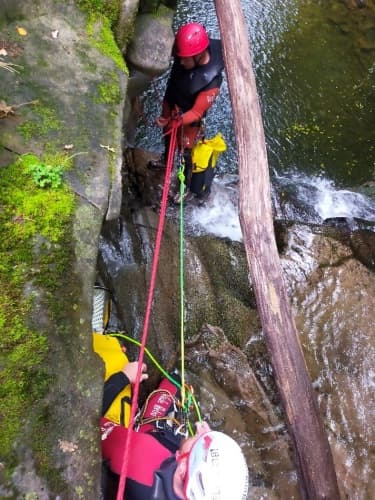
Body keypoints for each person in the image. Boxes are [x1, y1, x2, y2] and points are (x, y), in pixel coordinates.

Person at [94, 334, 249, 499]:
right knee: (175, 384)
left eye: (197, 441)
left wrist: (122, 378)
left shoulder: (140, 457)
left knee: (113, 357)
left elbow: (90, 424)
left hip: (129, 461)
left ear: (182, 470)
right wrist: (197, 445)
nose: (199, 428)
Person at [148, 22, 225, 203]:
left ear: (198, 55)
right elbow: (172, 87)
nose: (180, 62)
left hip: (189, 119)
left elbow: (197, 112)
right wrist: (167, 115)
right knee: (168, 138)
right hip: (174, 103)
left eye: (184, 59)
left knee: (187, 152)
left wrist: (178, 120)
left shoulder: (211, 82)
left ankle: (188, 188)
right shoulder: (184, 58)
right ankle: (166, 161)